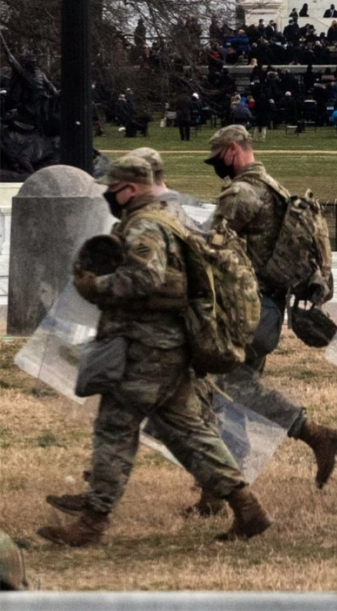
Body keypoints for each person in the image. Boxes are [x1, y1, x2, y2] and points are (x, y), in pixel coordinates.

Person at [39, 156, 271, 546]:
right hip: (169, 349)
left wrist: (95, 287)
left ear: (129, 189)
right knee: (191, 434)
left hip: (145, 350)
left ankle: (91, 524)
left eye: (112, 190)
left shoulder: (146, 225)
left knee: (115, 429)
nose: (109, 197)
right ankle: (248, 508)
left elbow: (146, 278)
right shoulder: (167, 217)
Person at [204, 126, 337, 496]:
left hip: (243, 311)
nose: (216, 167)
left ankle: (313, 433)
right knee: (233, 398)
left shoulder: (241, 193)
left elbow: (210, 252)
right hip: (268, 310)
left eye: (218, 158)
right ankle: (221, 490)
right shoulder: (275, 189)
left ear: (233, 151)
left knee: (223, 384)